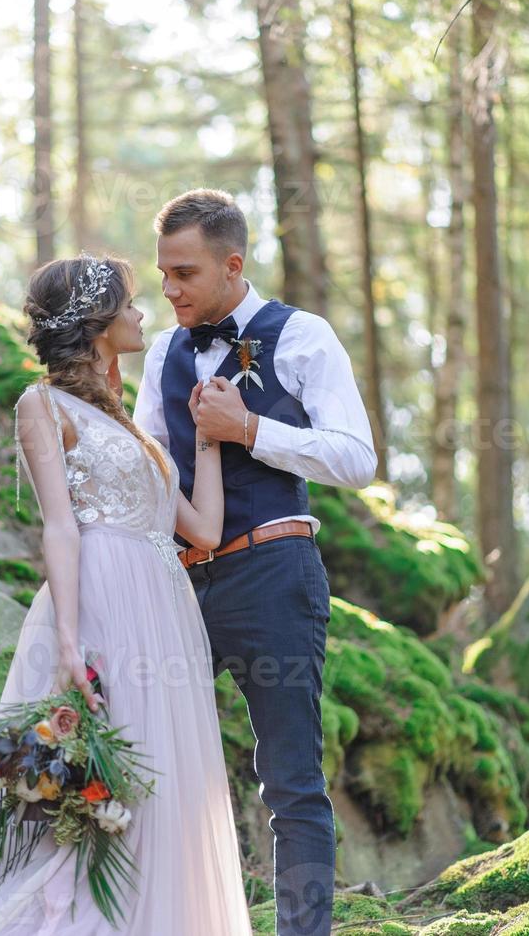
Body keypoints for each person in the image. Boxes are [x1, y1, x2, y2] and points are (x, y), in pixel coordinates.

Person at [0, 253, 253, 935]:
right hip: (100, 602)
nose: (142, 311)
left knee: (157, 790)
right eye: (128, 302)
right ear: (95, 322)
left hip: (165, 609)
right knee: (81, 795)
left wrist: (207, 439)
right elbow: (59, 527)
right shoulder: (41, 404)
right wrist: (68, 639)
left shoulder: (130, 427)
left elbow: (202, 530)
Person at [134, 189, 378, 936]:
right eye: (163, 274)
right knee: (144, 760)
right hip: (180, 583)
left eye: (184, 274)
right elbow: (149, 472)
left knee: (291, 782)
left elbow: (357, 458)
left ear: (232, 265)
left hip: (275, 574)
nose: (169, 290)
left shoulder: (304, 336)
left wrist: (250, 429)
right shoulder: (161, 352)